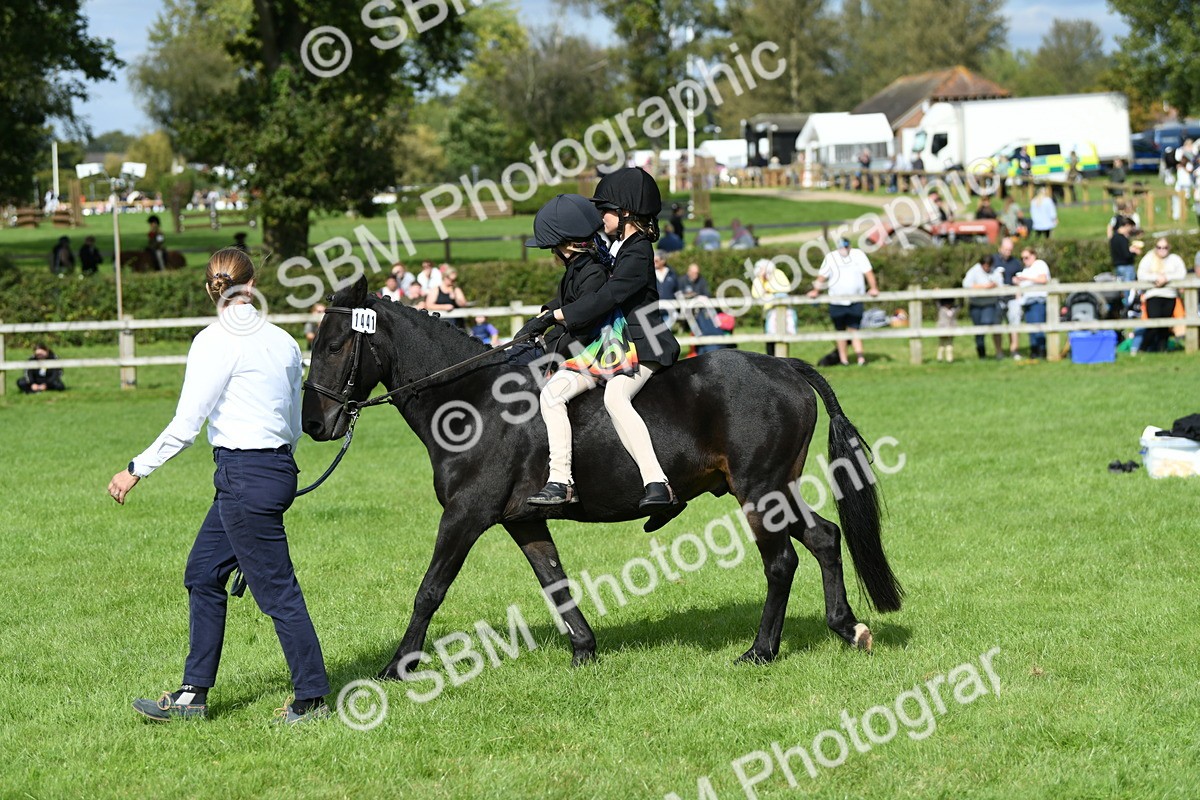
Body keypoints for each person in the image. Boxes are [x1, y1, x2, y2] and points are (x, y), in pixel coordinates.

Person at [110, 247, 330, 725]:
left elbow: (188, 423)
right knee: (203, 573)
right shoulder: (285, 341)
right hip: (272, 471)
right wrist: (279, 467)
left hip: (243, 475)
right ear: (251, 284)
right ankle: (193, 695)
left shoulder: (213, 340)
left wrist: (136, 468)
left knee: (277, 591)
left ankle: (312, 698)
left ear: (212, 287)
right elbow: (294, 421)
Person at [516, 170, 681, 511]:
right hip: (611, 348)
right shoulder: (616, 248)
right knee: (552, 393)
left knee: (617, 397)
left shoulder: (638, 253)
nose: (599, 217)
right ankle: (560, 481)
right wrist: (548, 314)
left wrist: (557, 316)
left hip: (643, 344)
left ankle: (657, 482)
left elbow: (607, 296)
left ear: (625, 213)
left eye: (604, 210)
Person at [808, 238, 880, 366]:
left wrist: (873, 288)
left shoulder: (858, 254)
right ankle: (844, 360)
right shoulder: (831, 257)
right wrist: (815, 291)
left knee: (854, 329)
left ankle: (860, 359)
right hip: (836, 301)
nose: (844, 250)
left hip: (856, 299)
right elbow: (822, 276)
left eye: (846, 247)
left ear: (849, 246)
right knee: (840, 331)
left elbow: (868, 273)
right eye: (841, 247)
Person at [1137, 238, 1187, 353]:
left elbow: (1181, 273)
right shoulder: (1149, 258)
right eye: (1159, 247)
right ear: (1155, 247)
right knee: (1154, 323)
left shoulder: (1175, 259)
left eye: (1164, 247)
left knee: (1165, 325)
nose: (1162, 250)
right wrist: (1156, 277)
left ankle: (1162, 350)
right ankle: (1143, 348)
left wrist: (1167, 278)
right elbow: (1141, 274)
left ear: (1169, 247)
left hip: (1170, 295)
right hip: (1153, 295)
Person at [962, 255, 1005, 359]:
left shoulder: (994, 271)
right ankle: (982, 354)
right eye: (985, 266)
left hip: (989, 304)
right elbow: (966, 284)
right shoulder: (974, 270)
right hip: (976, 304)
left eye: (988, 266)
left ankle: (996, 352)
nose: (987, 268)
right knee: (978, 330)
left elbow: (1000, 283)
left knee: (987, 323)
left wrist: (993, 285)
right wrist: (983, 287)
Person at [1015, 247, 1051, 359]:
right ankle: (1034, 351)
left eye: (1026, 257)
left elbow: (1043, 280)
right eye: (1022, 258)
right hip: (1027, 301)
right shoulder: (1026, 269)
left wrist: (1025, 278)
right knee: (1031, 328)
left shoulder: (1039, 264)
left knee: (1038, 327)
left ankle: (1042, 351)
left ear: (1033, 255)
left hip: (1038, 300)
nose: (1024, 260)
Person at [992, 237, 1023, 358]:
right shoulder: (993, 260)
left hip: (1012, 297)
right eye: (1006, 249)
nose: (1008, 252)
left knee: (1014, 324)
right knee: (997, 324)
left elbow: (1020, 280)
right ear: (1000, 248)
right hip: (997, 297)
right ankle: (999, 351)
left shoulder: (1016, 262)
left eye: (1010, 250)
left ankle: (1014, 350)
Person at [752, 258, 797, 336]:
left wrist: (770, 291)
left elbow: (787, 288)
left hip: (784, 307)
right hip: (768, 308)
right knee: (770, 332)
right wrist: (762, 280)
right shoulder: (758, 279)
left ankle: (790, 331)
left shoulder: (778, 273)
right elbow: (756, 294)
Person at [1110, 216, 1137, 283]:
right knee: (1128, 289)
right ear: (1127, 225)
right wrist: (1134, 252)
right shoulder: (1123, 239)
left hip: (1117, 267)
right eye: (1131, 227)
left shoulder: (1113, 237)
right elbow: (1126, 255)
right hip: (1126, 267)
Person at [653, 252, 678, 324]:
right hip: (655, 309)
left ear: (663, 261)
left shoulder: (672, 274)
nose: (654, 263)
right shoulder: (650, 273)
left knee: (666, 330)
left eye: (656, 261)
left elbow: (677, 290)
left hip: (669, 309)